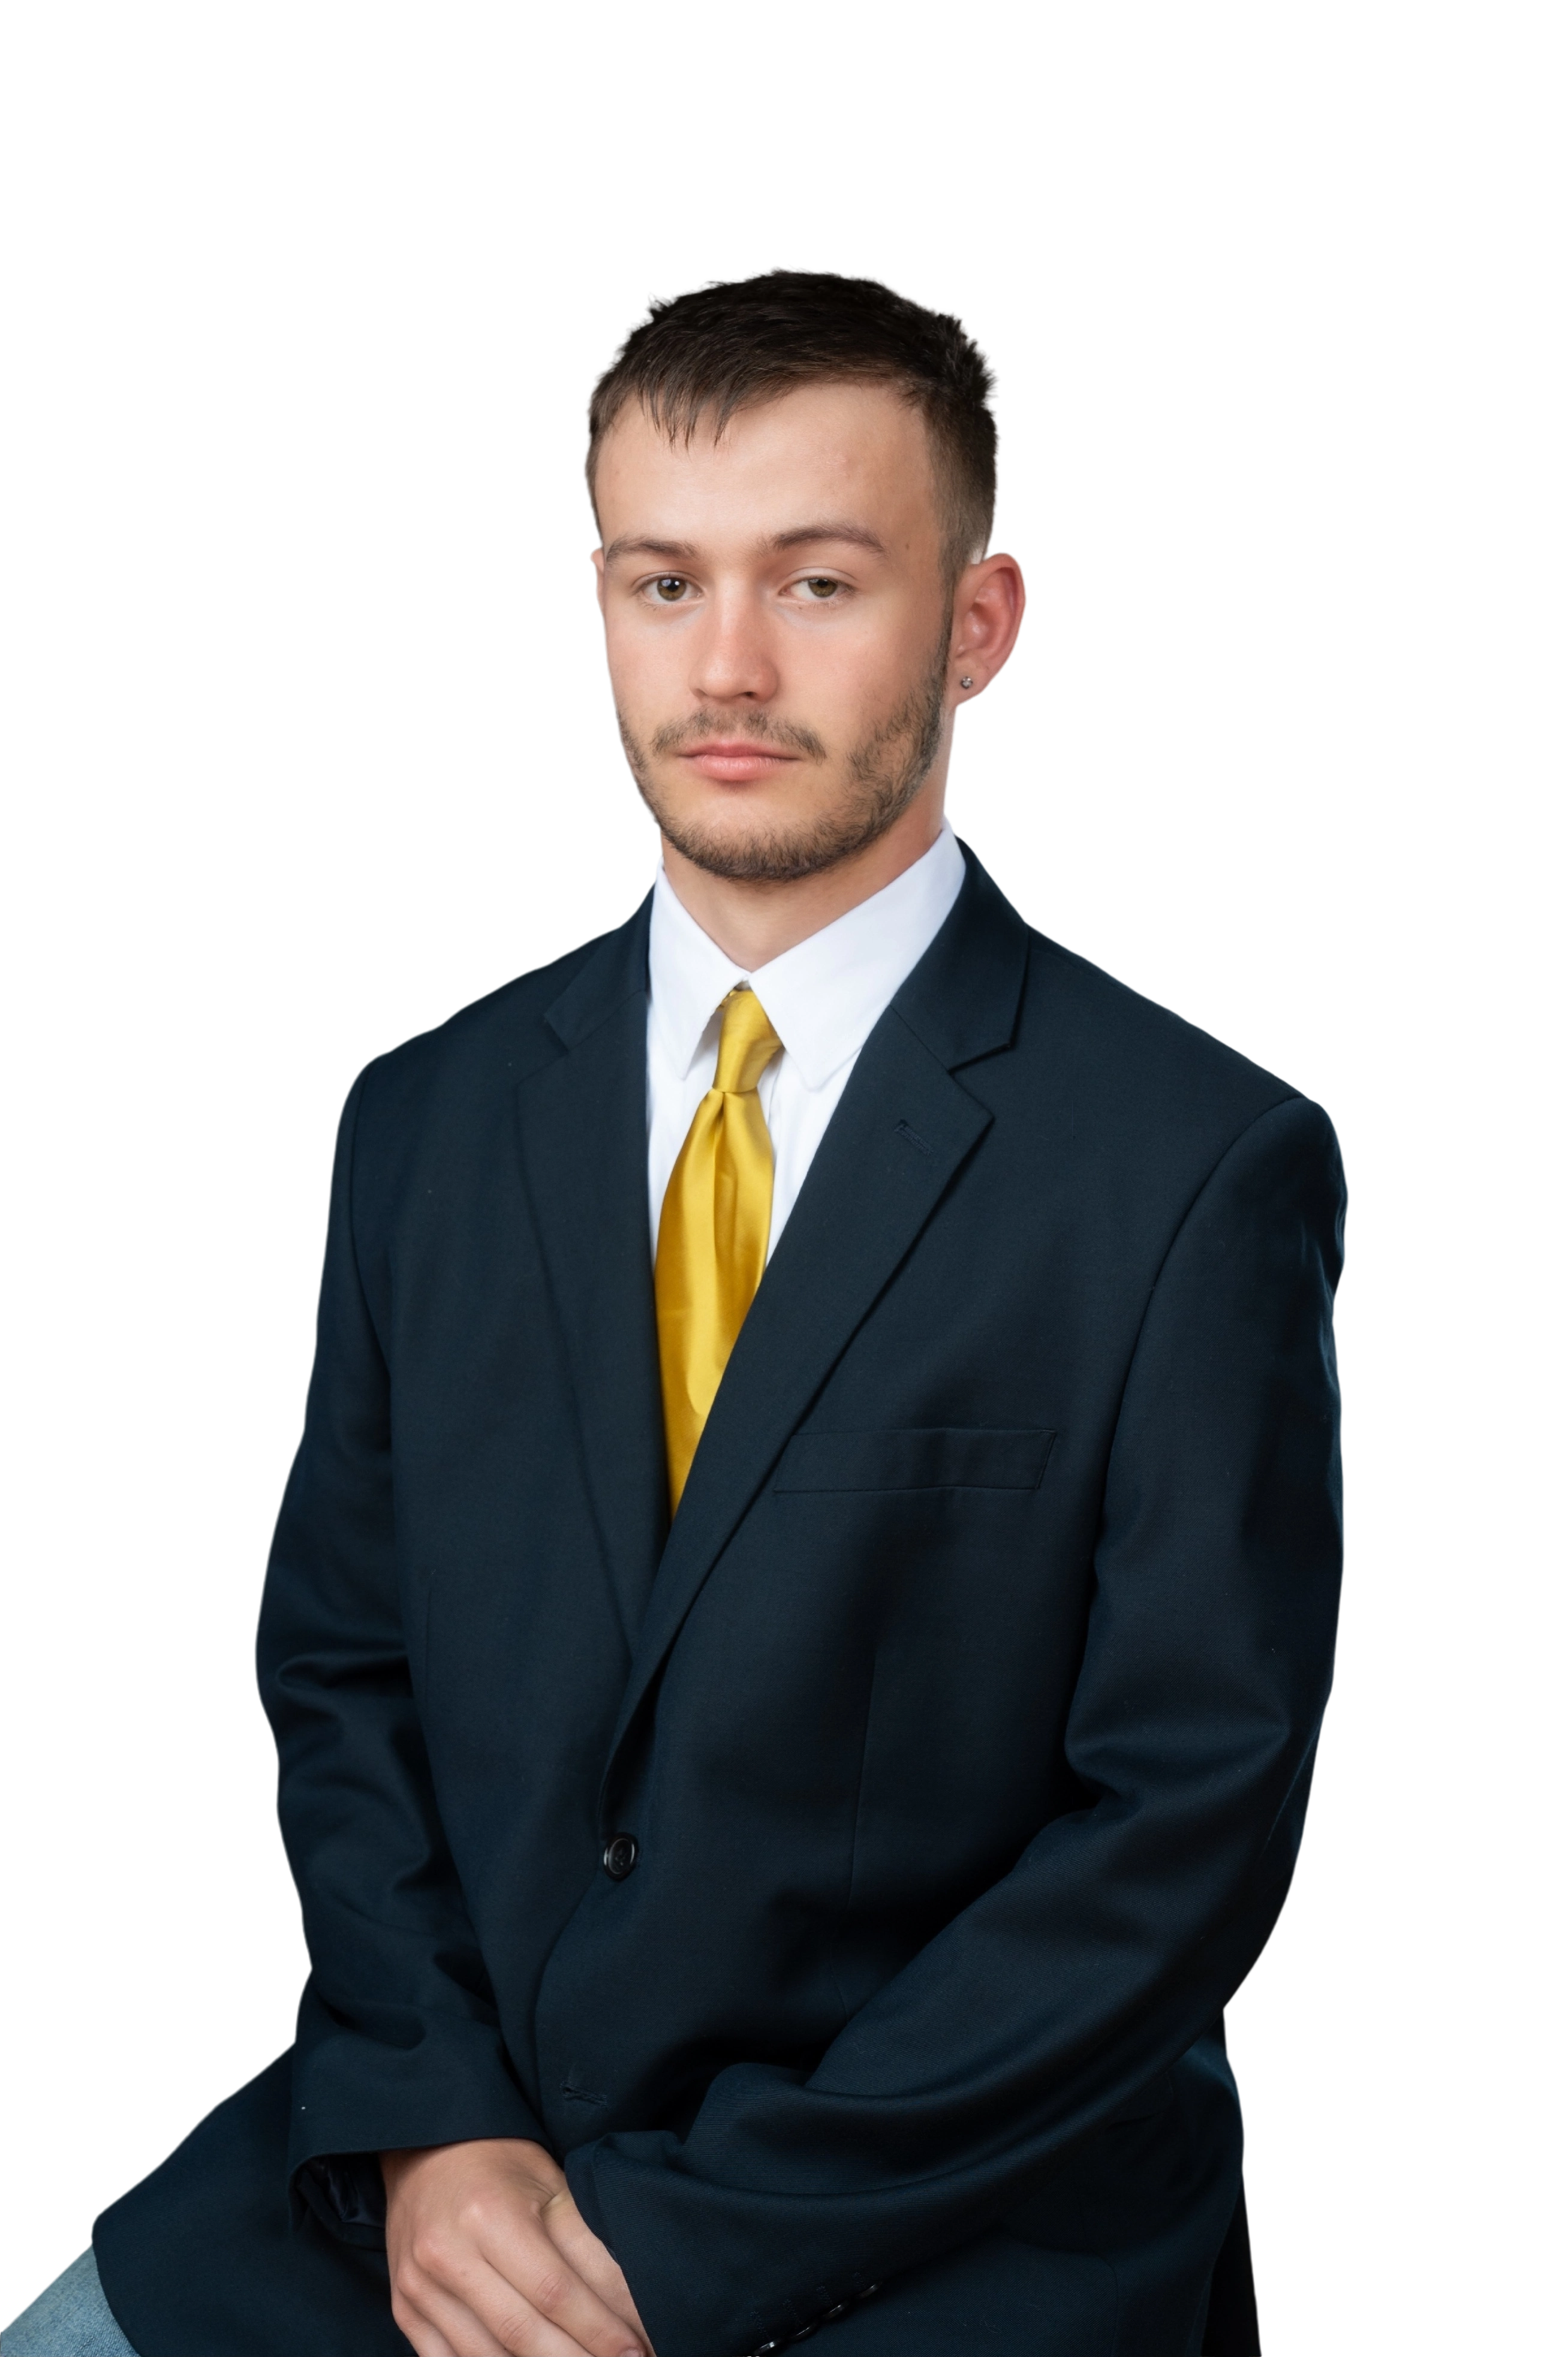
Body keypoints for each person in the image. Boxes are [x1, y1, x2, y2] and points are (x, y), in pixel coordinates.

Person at [5, 265, 1346, 2357]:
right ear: (602, 607)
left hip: (932, 2214)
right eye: (663, 583)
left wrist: (687, 2242)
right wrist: (435, 2123)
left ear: (977, 624)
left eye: (817, 583)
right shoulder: (425, 1115)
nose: (726, 666)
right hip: (449, 2163)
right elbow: (343, 1669)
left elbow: (1179, 1824)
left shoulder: (1192, 1161)